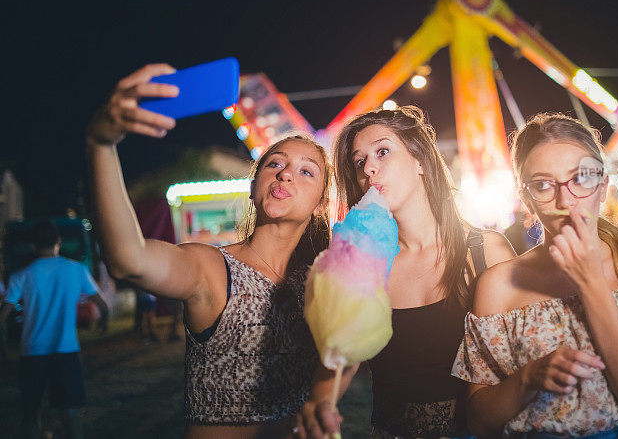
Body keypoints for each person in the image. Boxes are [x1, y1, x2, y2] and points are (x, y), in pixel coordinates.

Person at [86, 64, 331, 438]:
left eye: (306, 171)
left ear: (320, 203)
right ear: (253, 187)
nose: (285, 174)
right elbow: (127, 260)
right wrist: (100, 145)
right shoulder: (210, 266)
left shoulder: (321, 283)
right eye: (275, 164)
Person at [451, 113, 618, 438]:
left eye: (581, 178)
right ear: (526, 199)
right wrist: (527, 378)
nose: (566, 200)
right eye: (543, 185)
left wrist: (591, 283)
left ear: (603, 185)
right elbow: (479, 421)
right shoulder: (499, 285)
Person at [297, 106, 516, 439]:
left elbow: (518, 361)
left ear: (420, 161)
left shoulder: (486, 252)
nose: (369, 168)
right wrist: (321, 403)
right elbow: (344, 352)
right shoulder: (368, 263)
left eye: (382, 152)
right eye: (359, 162)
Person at [0, 220, 109, 439]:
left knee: (31, 413)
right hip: (66, 350)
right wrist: (103, 323)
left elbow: (3, 316)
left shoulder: (22, 275)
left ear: (32, 244)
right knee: (70, 413)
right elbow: (103, 305)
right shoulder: (76, 269)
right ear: (59, 241)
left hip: (32, 351)